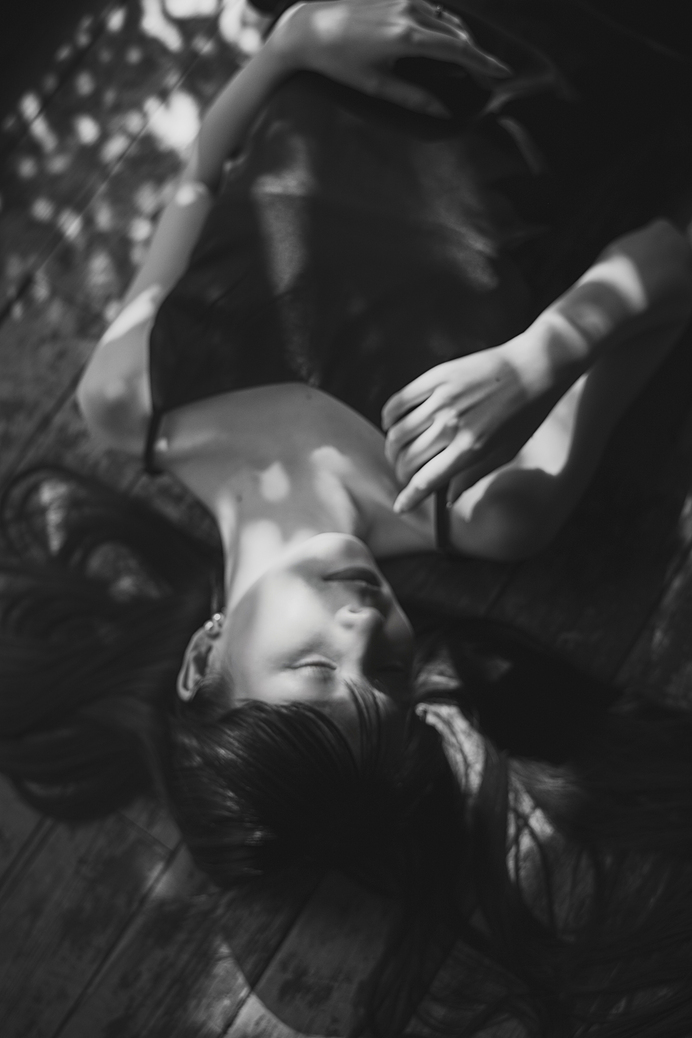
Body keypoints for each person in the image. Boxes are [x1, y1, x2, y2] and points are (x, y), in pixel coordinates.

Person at [2, 0, 692, 1032]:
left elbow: (199, 181)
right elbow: (672, 261)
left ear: (203, 657)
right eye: (394, 675)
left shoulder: (127, 402)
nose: (369, 627)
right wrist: (535, 358)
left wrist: (286, 45)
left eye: (319, 668)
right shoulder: (489, 507)